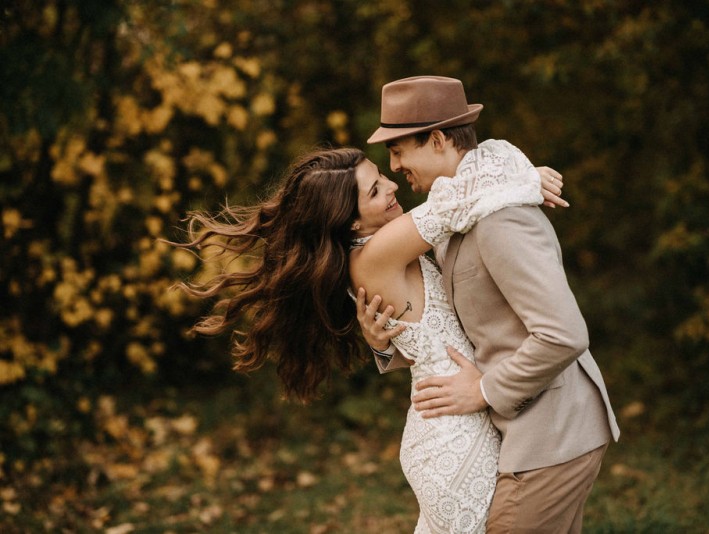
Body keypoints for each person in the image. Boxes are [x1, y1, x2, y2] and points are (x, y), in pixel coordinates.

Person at [170, 140, 565, 532]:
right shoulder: (379, 254)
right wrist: (525, 177)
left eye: (380, 177)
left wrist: (381, 343)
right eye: (375, 190)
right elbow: (454, 203)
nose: (392, 186)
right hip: (453, 435)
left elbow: (431, 329)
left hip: (452, 418)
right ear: (351, 222)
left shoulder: (373, 254)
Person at [358, 75, 620, 533]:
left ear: (437, 140)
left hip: (553, 431)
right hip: (526, 432)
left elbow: (564, 334)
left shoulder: (501, 218)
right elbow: (452, 329)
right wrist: (382, 344)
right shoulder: (464, 213)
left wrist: (482, 390)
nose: (395, 167)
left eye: (398, 151)